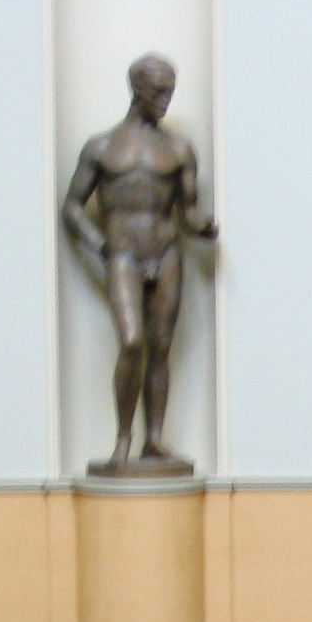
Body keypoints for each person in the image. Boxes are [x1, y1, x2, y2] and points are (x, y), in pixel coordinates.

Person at [61, 55, 217, 476]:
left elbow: (187, 212)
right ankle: (123, 439)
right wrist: (101, 245)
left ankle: (154, 439)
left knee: (161, 348)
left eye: (171, 91)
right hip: (123, 254)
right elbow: (72, 207)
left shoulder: (179, 149)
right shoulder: (102, 147)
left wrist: (202, 226)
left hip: (165, 251)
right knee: (131, 342)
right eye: (159, 91)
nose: (166, 100)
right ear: (137, 90)